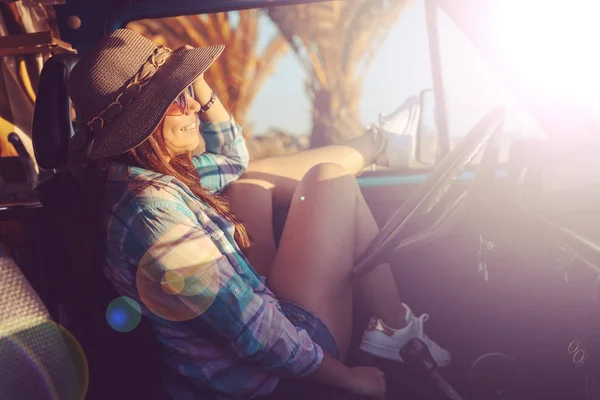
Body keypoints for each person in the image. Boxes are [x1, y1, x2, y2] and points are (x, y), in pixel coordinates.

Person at [69, 29, 450, 400]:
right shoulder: (152, 215)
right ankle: (397, 328)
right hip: (264, 379)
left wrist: (202, 90)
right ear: (141, 127)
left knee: (250, 183)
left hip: (251, 334)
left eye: (185, 90)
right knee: (331, 178)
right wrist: (350, 381)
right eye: (173, 100)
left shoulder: (147, 175)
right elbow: (253, 330)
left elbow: (235, 161)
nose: (191, 105)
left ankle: (381, 142)